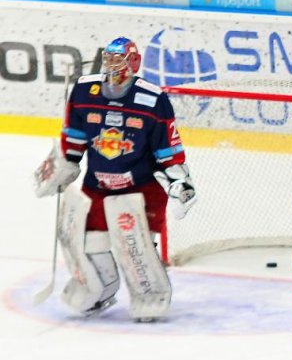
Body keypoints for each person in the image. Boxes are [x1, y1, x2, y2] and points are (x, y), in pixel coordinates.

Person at [32, 36, 197, 322]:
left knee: (136, 247)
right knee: (86, 244)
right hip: (97, 186)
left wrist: (179, 181)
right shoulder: (85, 91)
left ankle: (150, 296)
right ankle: (102, 290)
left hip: (141, 188)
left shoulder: (153, 99)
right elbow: (74, 137)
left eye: (117, 59)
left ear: (133, 62)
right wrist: (63, 165)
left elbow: (167, 149)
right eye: (107, 58)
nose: (111, 65)